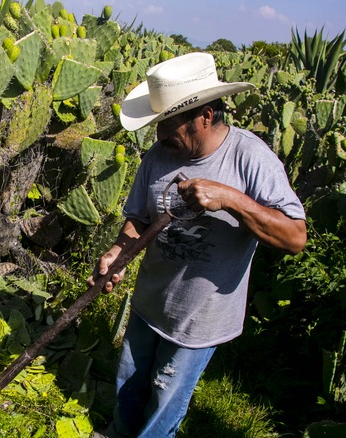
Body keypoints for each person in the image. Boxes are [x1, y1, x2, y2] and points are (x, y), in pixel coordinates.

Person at [90, 52, 307, 437]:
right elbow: (139, 217)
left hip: (198, 322)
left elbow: (294, 237)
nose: (158, 137)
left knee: (164, 403)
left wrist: (232, 199)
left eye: (168, 124)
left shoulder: (250, 158)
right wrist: (118, 252)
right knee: (128, 387)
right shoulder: (159, 155)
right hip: (148, 304)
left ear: (205, 115)